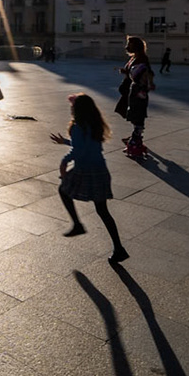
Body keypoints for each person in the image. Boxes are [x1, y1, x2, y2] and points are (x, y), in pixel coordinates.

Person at [51, 94, 128, 261]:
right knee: (102, 210)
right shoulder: (94, 125)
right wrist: (65, 141)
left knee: (63, 190)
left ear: (77, 110)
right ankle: (119, 248)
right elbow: (85, 144)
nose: (70, 108)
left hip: (85, 170)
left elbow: (79, 150)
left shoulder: (78, 127)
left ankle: (78, 225)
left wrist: (64, 163)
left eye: (72, 106)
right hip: (100, 170)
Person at [119, 34, 154, 158]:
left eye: (129, 45)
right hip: (133, 90)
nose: (126, 47)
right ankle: (135, 137)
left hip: (139, 91)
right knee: (133, 114)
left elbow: (148, 74)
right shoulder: (135, 58)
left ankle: (135, 140)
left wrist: (147, 84)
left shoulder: (142, 59)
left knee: (138, 115)